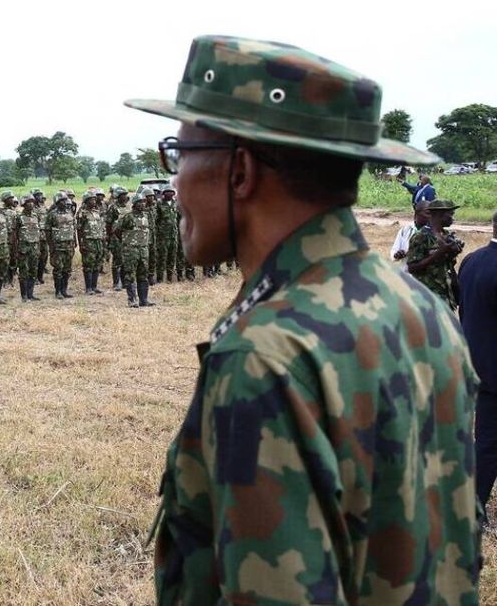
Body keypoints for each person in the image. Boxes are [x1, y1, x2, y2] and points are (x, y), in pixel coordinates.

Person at [126, 34, 478, 603]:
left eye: (179, 155)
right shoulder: (421, 309)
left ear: (238, 170)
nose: (173, 184)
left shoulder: (266, 355)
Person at [460, 211, 497, 509]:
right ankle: (473, 505)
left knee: (486, 439)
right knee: (488, 444)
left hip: (477, 363)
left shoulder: (471, 261)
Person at [406, 199, 465, 310]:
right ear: (439, 215)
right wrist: (439, 253)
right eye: (450, 215)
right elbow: (412, 267)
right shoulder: (421, 237)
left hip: (446, 295)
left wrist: (452, 253)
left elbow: (445, 265)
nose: (452, 218)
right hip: (427, 297)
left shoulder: (446, 235)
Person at [115, 194, 154, 307]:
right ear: (134, 204)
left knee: (143, 275)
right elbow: (117, 230)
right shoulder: (128, 216)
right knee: (130, 275)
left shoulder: (147, 216)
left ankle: (144, 300)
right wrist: (126, 242)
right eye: (139, 202)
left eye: (143, 202)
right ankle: (132, 300)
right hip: (131, 251)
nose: (142, 204)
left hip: (143, 249)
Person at [43, 192, 77, 299]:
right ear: (57, 202)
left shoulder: (70, 213)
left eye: (65, 200)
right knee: (58, 269)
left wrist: (75, 241)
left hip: (69, 245)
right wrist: (51, 246)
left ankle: (64, 290)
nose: (65, 202)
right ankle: (58, 292)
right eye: (62, 200)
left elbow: (73, 228)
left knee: (67, 269)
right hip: (58, 246)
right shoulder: (52, 214)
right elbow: (47, 231)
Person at [11, 195, 42, 302]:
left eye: (32, 202)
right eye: (28, 202)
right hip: (23, 249)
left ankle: (30, 294)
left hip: (35, 248)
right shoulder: (19, 217)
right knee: (24, 272)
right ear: (23, 204)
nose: (31, 204)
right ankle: (24, 296)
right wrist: (15, 250)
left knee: (33, 271)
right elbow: (14, 235)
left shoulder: (35, 216)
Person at [77, 191, 106, 295]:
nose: (94, 201)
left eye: (94, 199)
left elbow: (101, 226)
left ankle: (94, 286)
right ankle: (88, 288)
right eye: (91, 200)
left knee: (97, 265)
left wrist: (103, 239)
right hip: (88, 242)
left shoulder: (96, 212)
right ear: (86, 201)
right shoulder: (82, 213)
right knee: (88, 265)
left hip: (98, 241)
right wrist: (81, 244)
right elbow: (79, 230)